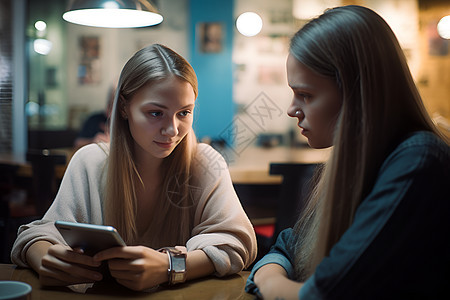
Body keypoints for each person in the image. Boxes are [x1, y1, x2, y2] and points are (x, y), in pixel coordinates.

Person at [11, 44, 257, 290]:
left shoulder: (204, 162)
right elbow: (35, 236)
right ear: (124, 108)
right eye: (155, 113)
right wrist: (46, 259)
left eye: (184, 113)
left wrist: (170, 266)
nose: (172, 130)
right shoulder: (90, 161)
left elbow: (237, 243)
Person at [245, 5, 450, 299]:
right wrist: (274, 276)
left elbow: (324, 293)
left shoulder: (418, 162)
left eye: (305, 94)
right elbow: (287, 246)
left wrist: (270, 282)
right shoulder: (355, 162)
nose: (292, 109)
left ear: (356, 92)